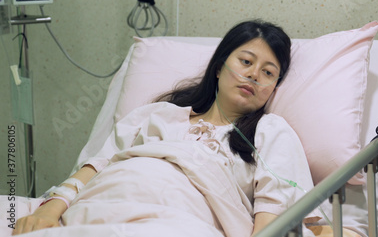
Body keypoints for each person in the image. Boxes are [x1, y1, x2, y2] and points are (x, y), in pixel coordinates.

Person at [12, 20, 317, 236]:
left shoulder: (270, 131)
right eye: (246, 61)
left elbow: (274, 208)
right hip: (99, 205)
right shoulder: (156, 115)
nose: (253, 76)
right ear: (221, 64)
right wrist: (46, 212)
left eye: (268, 72)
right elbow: (95, 167)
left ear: (274, 87)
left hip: (181, 221)